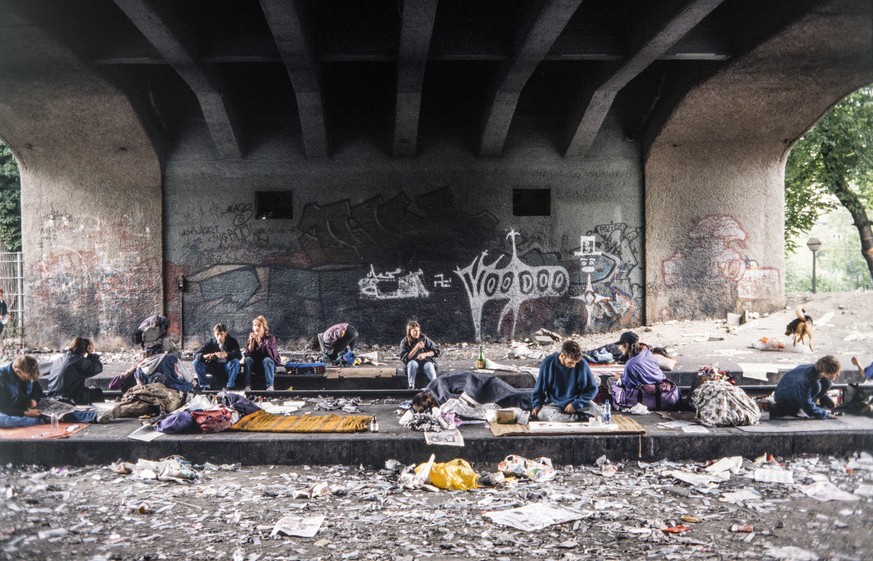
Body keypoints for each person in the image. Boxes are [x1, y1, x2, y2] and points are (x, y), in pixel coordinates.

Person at [0, 355, 104, 427]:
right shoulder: (1, 377)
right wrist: (26, 413)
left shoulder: (27, 372)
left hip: (27, 406)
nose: (29, 380)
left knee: (58, 408)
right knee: (5, 420)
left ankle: (94, 416)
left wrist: (33, 399)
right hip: (8, 410)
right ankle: (41, 420)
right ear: (17, 372)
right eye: (27, 378)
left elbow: (37, 392)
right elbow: (3, 407)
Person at [531, 340, 601, 422]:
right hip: (555, 403)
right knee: (542, 415)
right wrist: (537, 406)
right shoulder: (548, 362)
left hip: (577, 401)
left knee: (601, 414)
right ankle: (581, 418)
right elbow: (539, 388)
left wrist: (576, 404)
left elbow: (592, 389)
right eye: (570, 362)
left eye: (576, 363)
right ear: (562, 355)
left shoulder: (582, 363)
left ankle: (569, 418)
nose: (573, 366)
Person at [770, 355, 841, 419]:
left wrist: (824, 397)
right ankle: (798, 409)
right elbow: (807, 405)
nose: (837, 375)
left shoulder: (817, 368)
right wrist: (824, 414)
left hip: (798, 390)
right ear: (825, 372)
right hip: (785, 400)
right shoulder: (805, 380)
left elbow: (824, 382)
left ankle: (814, 405)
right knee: (817, 386)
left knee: (827, 382)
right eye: (835, 373)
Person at [44, 337, 104, 404]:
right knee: (97, 393)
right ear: (87, 348)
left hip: (52, 398)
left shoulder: (59, 360)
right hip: (69, 399)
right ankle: (101, 414)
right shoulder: (79, 361)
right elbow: (97, 368)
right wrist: (90, 354)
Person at [193, 323, 242, 390]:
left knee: (235, 362)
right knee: (196, 363)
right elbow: (196, 354)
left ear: (225, 333)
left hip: (226, 367)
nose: (219, 337)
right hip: (213, 367)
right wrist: (205, 356)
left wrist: (226, 354)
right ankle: (204, 385)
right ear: (214, 334)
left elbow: (239, 356)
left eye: (221, 334)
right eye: (217, 334)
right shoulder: (211, 342)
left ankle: (230, 385)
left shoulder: (232, 341)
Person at [400, 320, 440, 389]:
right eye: (414, 331)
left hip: (425, 366)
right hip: (413, 368)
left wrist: (425, 354)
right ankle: (411, 385)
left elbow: (436, 351)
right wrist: (416, 348)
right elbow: (406, 358)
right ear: (409, 331)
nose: (417, 333)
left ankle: (435, 385)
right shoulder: (405, 342)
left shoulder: (424, 339)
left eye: (418, 330)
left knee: (429, 364)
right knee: (412, 363)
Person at [244, 315, 280, 391]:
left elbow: (269, 353)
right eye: (255, 325)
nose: (257, 328)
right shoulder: (252, 337)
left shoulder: (270, 338)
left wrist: (259, 341)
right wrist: (251, 342)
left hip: (267, 366)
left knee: (267, 360)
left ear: (264, 327)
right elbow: (247, 353)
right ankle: (248, 386)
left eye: (259, 325)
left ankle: (270, 386)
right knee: (247, 359)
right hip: (256, 366)